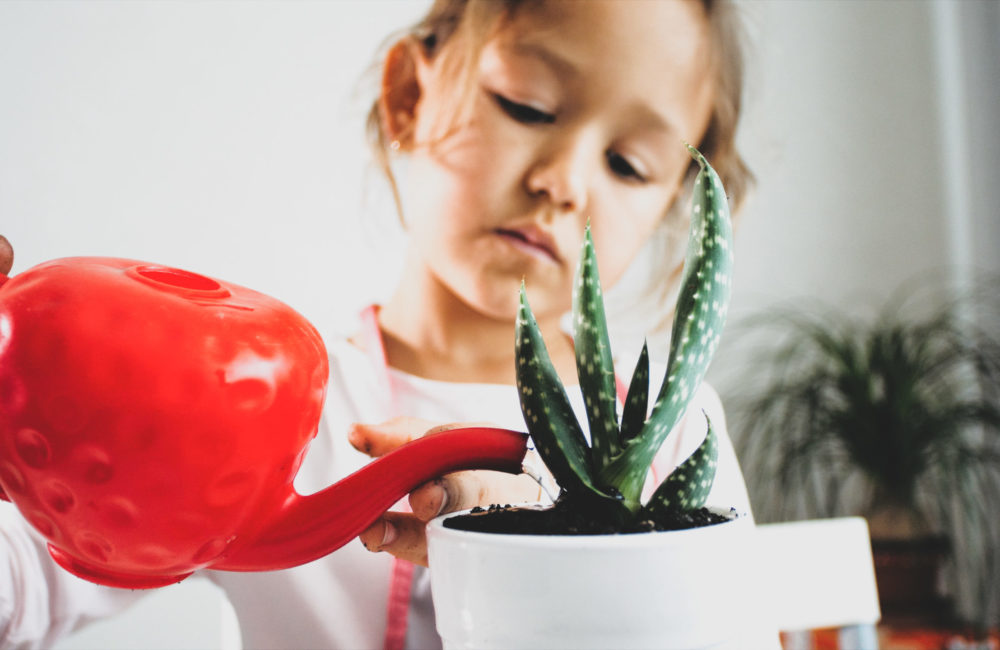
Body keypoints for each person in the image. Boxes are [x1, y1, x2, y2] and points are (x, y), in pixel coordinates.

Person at [0, 1, 755, 648]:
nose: (562, 182)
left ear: (672, 207)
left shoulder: (675, 435)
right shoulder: (272, 407)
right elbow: (21, 578)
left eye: (628, 164)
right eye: (526, 105)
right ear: (407, 97)